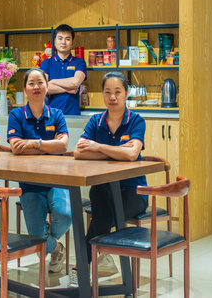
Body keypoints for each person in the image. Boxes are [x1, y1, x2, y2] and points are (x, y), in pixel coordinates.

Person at [74, 71, 148, 274]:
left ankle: (81, 267)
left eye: (117, 92)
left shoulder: (136, 121)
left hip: (134, 192)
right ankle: (99, 259)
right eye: (107, 92)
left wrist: (97, 147)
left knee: (101, 217)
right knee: (99, 193)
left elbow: (132, 154)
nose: (112, 97)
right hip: (103, 189)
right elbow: (79, 153)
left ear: (126, 93)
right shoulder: (95, 121)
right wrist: (117, 151)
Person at [7, 68, 71, 274]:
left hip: (57, 180)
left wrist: (34, 143)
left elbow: (63, 146)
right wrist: (49, 146)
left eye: (40, 82)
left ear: (47, 85)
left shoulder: (57, 115)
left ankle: (45, 239)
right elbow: (16, 147)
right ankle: (56, 248)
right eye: (31, 83)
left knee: (65, 216)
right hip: (29, 184)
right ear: (25, 88)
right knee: (36, 236)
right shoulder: (16, 115)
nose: (36, 87)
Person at [40, 24, 87, 115]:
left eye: (67, 39)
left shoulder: (79, 62)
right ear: (55, 41)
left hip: (73, 115)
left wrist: (52, 82)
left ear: (72, 42)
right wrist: (68, 89)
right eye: (60, 38)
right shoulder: (46, 63)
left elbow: (76, 82)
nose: (63, 42)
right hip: (51, 116)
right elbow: (43, 88)